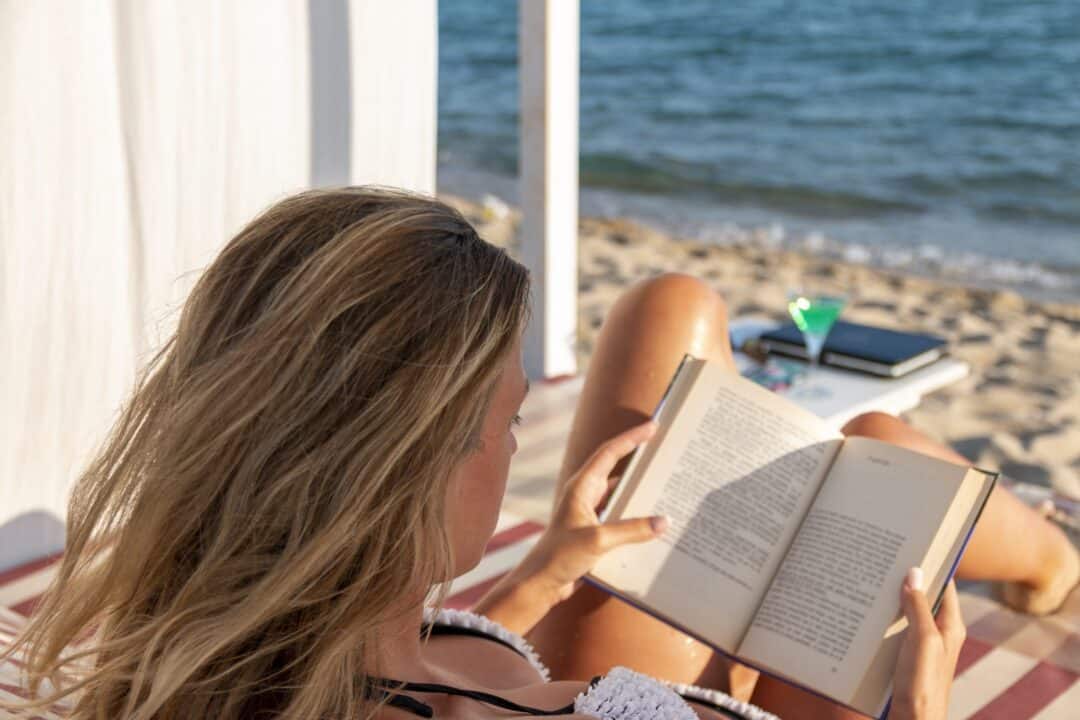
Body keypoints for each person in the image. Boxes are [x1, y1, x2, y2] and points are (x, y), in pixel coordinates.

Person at [4, 188, 1075, 719]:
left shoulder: (238, 647)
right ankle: (1054, 565)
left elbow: (415, 670)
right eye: (512, 423)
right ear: (403, 470)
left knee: (670, 307)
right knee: (880, 459)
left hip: (536, 667)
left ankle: (1042, 560)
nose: (523, 443)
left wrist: (545, 573)